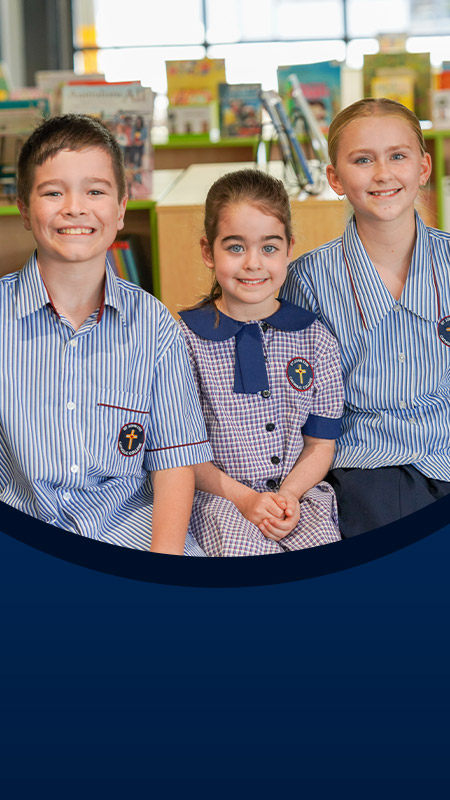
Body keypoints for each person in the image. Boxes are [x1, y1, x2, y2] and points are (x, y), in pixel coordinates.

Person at [0, 113, 212, 555]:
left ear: (119, 211)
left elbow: (174, 462)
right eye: (53, 192)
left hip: (129, 531)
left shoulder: (155, 328)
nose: (75, 207)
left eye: (95, 192)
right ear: (23, 208)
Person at [280, 97, 450, 537]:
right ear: (335, 178)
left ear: (423, 168)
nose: (383, 174)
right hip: (367, 467)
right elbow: (298, 403)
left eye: (398, 156)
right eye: (362, 160)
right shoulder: (309, 281)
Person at [178, 169, 344, 556]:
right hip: (221, 501)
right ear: (208, 251)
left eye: (269, 248)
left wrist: (288, 494)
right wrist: (246, 500)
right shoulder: (183, 342)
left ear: (289, 248)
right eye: (235, 247)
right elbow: (183, 452)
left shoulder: (316, 338)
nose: (253, 263)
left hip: (298, 497)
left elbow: (320, 445)